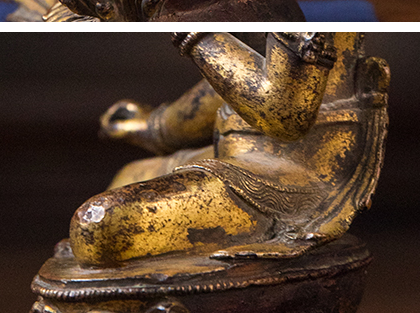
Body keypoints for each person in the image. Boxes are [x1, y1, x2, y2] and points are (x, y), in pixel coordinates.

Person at [68, 32, 390, 266]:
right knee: (129, 175)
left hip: (291, 168)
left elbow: (284, 113)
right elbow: (240, 68)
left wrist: (200, 33)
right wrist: (160, 126)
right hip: (234, 150)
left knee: (98, 225)